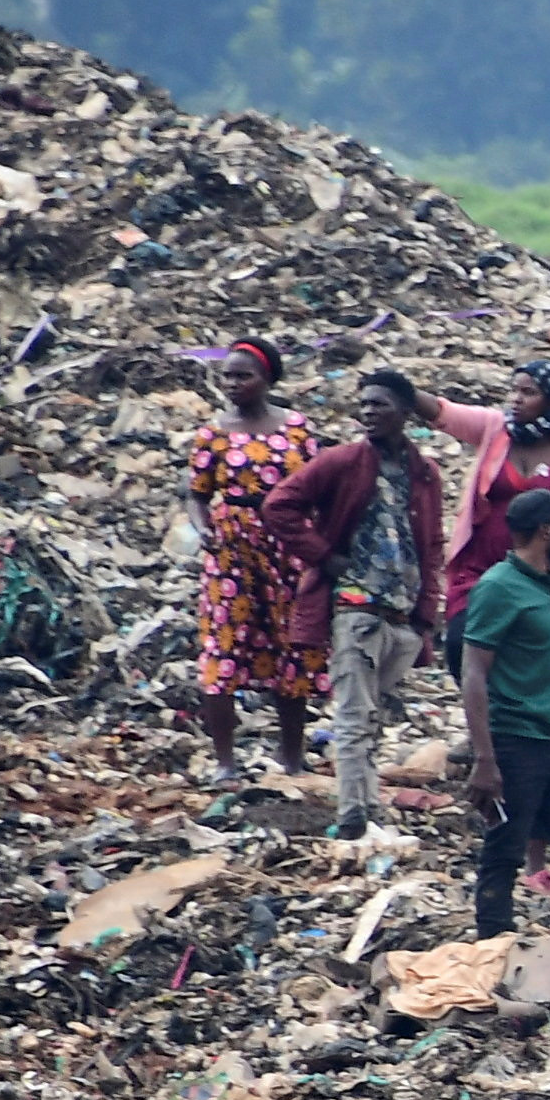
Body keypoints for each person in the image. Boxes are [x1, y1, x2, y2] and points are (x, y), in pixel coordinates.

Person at [260, 366, 447, 842]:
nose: (368, 413)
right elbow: (280, 505)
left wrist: (427, 612)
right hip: (355, 606)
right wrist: (326, 556)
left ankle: (366, 807)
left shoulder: (423, 472)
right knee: (354, 712)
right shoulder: (343, 461)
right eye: (363, 404)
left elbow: (430, 545)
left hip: (401, 613)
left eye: (379, 404)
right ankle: (353, 815)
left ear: (405, 413)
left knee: (372, 713)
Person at [458, 490, 550, 996]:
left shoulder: (546, 585)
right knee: (504, 852)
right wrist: (484, 759)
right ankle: (496, 970)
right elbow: (474, 672)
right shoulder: (498, 588)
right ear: (546, 531)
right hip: (514, 743)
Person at [185, 335, 323, 783]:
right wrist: (203, 528)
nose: (232, 384)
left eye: (243, 376)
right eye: (227, 375)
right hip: (231, 550)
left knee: (291, 647)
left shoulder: (296, 429)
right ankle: (225, 761)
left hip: (286, 547)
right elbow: (196, 494)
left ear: (267, 380)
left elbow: (317, 487)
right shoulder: (214, 434)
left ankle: (293, 757)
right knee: (221, 648)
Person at [422, 362, 550, 630]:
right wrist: (400, 389)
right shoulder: (495, 428)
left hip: (539, 578)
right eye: (514, 390)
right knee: (464, 642)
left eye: (529, 392)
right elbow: (443, 414)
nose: (516, 399)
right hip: (478, 571)